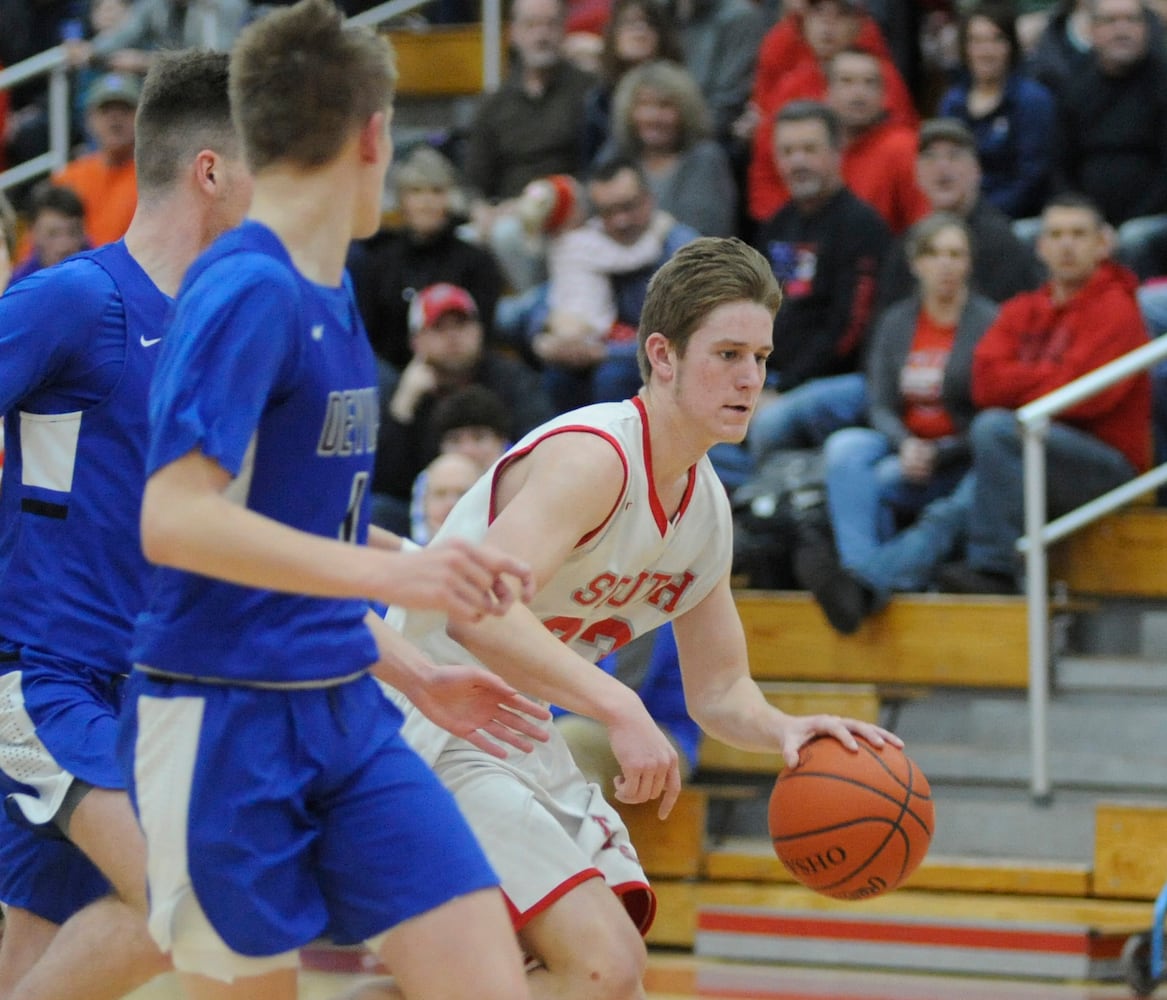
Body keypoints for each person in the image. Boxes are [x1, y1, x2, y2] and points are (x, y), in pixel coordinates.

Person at [119, 4, 554, 999]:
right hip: (222, 713)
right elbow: (174, 518)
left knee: (488, 974)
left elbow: (305, 540)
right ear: (372, 134)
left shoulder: (334, 287)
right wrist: (397, 571)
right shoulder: (246, 289)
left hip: (346, 707)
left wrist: (409, 666)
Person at [375, 235, 899, 1000]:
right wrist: (617, 705)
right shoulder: (596, 458)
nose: (749, 378)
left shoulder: (706, 509)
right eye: (726, 354)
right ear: (661, 355)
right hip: (424, 723)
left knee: (585, 980)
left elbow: (718, 690)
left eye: (759, 357)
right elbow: (477, 614)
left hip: (513, 738)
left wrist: (785, 730)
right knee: (600, 967)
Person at [0, 49, 253, 1000]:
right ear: (211, 169)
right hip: (45, 679)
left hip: (154, 688)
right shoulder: (76, 299)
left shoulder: (226, 326)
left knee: (34, 960)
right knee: (190, 903)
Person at [936, 192, 1152, 593]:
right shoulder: (1023, 308)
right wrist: (1053, 376)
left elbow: (1087, 397)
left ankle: (993, 569)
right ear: (1041, 246)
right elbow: (984, 382)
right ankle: (881, 580)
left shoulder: (1117, 308)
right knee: (952, 502)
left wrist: (1022, 381)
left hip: (1107, 467)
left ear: (1102, 245)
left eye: (1078, 234)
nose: (1067, 244)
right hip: (1035, 449)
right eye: (1056, 234)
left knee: (993, 431)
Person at [795, 213, 999, 633]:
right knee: (845, 449)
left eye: (956, 254)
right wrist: (906, 442)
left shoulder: (989, 322)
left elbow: (988, 414)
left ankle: (863, 584)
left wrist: (940, 451)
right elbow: (881, 402)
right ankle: (858, 573)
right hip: (907, 447)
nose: (945, 264)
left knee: (890, 484)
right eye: (935, 254)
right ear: (915, 262)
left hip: (961, 455)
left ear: (969, 263)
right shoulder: (896, 321)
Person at [746, 100, 891, 462]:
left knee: (767, 425)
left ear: (836, 152)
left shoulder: (861, 226)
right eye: (787, 151)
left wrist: (785, 388)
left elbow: (850, 329)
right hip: (774, 377)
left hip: (841, 382)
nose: (798, 162)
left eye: (809, 149)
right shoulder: (777, 226)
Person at [375, 282, 554, 531]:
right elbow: (387, 480)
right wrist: (402, 409)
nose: (453, 336)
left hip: (504, 500)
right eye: (439, 327)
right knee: (377, 511)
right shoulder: (405, 392)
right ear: (416, 341)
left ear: (479, 330)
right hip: (429, 508)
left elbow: (544, 446)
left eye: (461, 324)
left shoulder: (512, 379)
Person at [529, 157, 699, 414]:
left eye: (628, 207)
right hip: (600, 343)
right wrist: (545, 338)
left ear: (649, 199)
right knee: (558, 374)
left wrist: (606, 353)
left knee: (612, 375)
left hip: (661, 363)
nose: (621, 220)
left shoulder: (680, 248)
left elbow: (689, 335)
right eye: (608, 212)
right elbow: (551, 298)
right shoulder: (591, 241)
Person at [348, 144, 503, 371]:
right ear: (402, 201)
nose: (427, 201)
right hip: (393, 376)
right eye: (417, 191)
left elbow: (482, 337)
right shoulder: (380, 262)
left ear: (450, 198)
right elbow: (368, 337)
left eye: (436, 191)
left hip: (461, 371)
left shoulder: (477, 262)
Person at [877, 117, 1044, 312]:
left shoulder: (1001, 244)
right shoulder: (907, 244)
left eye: (954, 156)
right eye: (930, 156)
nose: (942, 167)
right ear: (917, 174)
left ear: (977, 171)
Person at [1053, 0, 1167, 279]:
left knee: (1131, 239)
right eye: (1111, 21)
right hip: (1088, 216)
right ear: (1092, 30)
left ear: (1146, 29)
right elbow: (1059, 165)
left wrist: (1121, 223)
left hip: (1151, 218)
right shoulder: (1075, 86)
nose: (1122, 30)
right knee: (1033, 234)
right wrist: (1085, 220)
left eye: (1131, 20)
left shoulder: (1163, 82)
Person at [938, 2, 1056, 221]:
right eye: (977, 41)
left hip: (1020, 217)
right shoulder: (952, 102)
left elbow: (1033, 178)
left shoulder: (1032, 100)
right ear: (965, 48)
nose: (986, 51)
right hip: (961, 213)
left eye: (997, 39)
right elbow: (945, 167)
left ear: (1011, 45)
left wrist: (983, 216)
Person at [597, 60, 738, 238]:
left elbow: (707, 235)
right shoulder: (616, 153)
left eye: (664, 106)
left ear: (685, 112)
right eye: (644, 105)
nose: (653, 117)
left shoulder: (705, 158)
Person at [825, 46, 928, 235]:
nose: (859, 93)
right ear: (827, 92)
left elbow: (925, 228)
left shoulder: (903, 148)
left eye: (869, 83)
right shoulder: (818, 149)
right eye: (847, 81)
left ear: (883, 95)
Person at [582, 0, 684, 165]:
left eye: (648, 23)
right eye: (629, 23)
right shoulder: (599, 100)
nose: (639, 32)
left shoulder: (680, 93)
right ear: (613, 34)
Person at [52, 72, 139, 249]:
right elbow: (36, 249)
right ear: (89, 119)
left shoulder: (157, 179)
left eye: (125, 110)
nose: (115, 118)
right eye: (105, 110)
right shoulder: (68, 179)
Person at [7, 183, 88, 285]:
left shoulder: (105, 272)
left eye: (73, 232)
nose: (64, 246)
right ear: (32, 233)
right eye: (52, 234)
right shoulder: (19, 286)